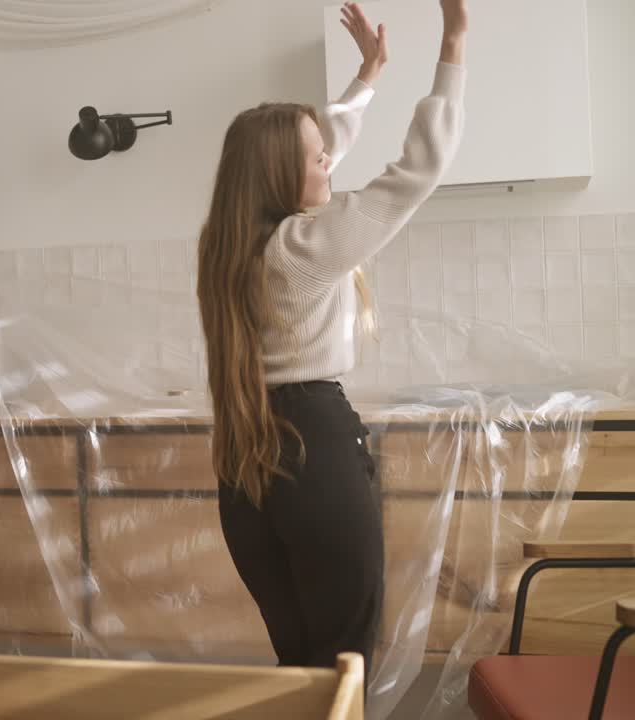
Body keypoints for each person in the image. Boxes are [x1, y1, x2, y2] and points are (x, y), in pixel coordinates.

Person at [196, 0, 468, 679]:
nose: (330, 164)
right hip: (312, 443)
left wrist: (366, 79)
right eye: (319, 160)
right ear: (284, 175)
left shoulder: (229, 242)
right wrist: (454, 42)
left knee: (300, 659)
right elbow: (419, 169)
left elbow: (313, 150)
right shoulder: (304, 247)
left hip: (242, 455)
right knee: (345, 658)